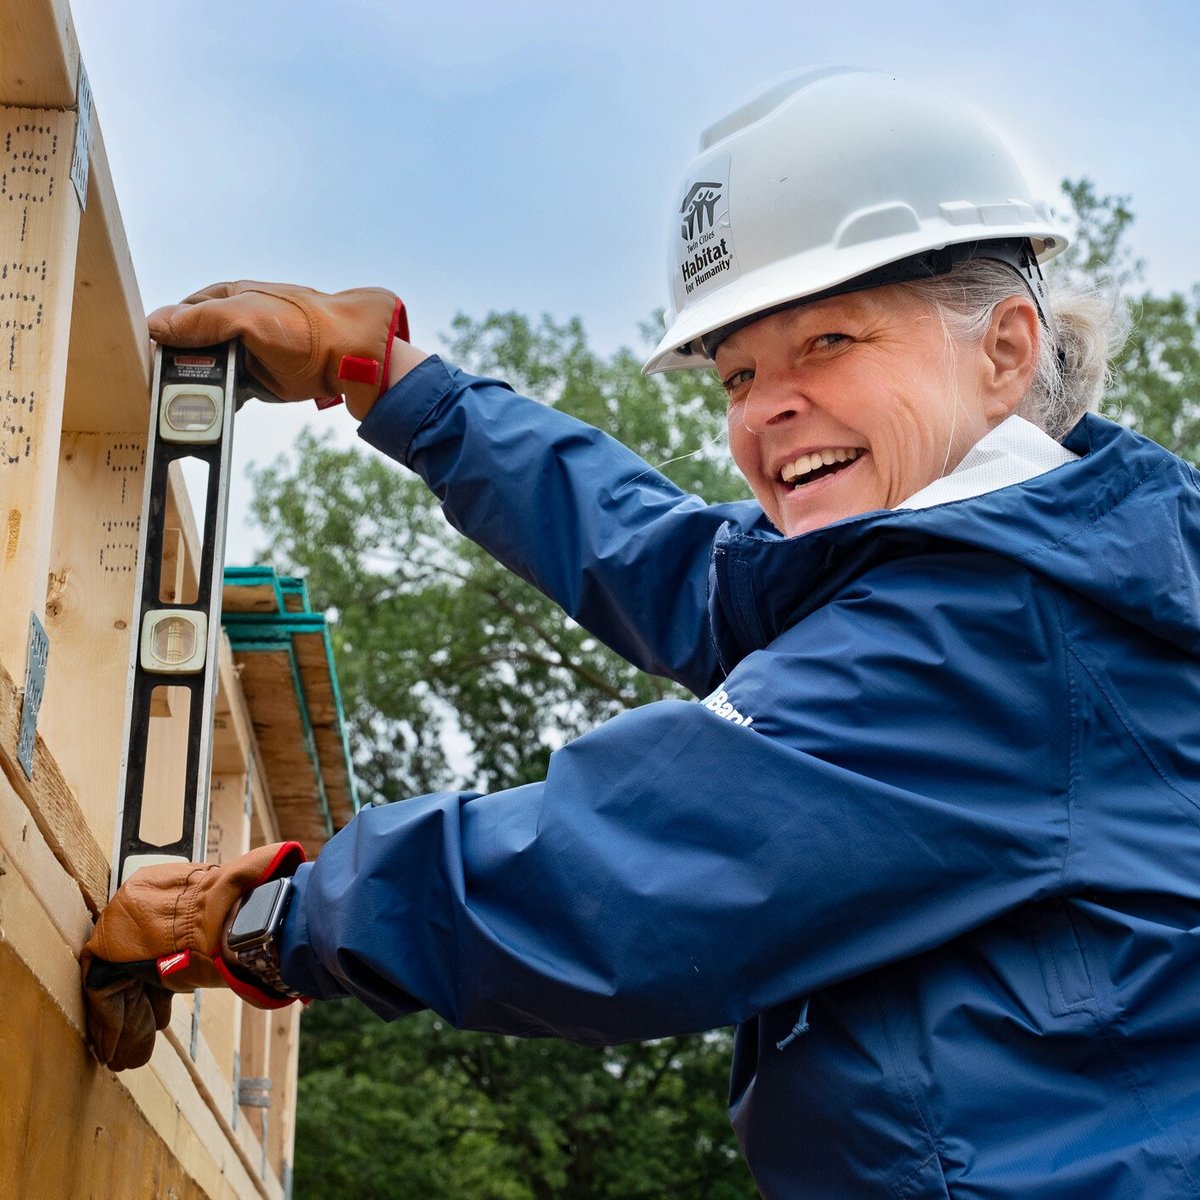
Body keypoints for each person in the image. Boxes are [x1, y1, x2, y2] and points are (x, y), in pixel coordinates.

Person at [82, 68, 1200, 1197]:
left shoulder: (991, 634)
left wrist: (262, 919)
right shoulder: (1009, 566)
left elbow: (611, 876)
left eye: (830, 343)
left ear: (1006, 352)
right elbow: (677, 564)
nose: (766, 408)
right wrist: (397, 385)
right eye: (741, 372)